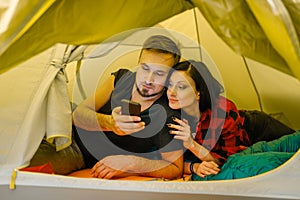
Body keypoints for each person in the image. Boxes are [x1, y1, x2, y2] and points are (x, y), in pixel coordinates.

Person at [71, 35, 184, 180]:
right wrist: (110, 123)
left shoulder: (167, 114)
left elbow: (175, 169)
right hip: (67, 132)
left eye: (159, 73)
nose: (148, 79)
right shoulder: (121, 78)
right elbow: (77, 115)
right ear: (138, 62)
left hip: (77, 154)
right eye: (145, 68)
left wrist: (132, 162)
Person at [166, 60, 295, 178]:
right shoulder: (169, 114)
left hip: (256, 130)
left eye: (181, 87)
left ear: (198, 93)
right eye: (170, 84)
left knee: (294, 152)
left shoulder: (222, 111)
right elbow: (166, 161)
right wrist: (193, 166)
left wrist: (192, 145)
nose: (171, 92)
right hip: (231, 153)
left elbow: (225, 161)